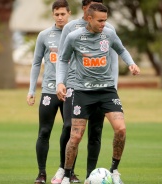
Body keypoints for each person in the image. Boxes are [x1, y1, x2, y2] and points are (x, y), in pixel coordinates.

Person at [56, 3, 140, 184]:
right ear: (89, 18)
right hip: (82, 92)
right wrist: (60, 83)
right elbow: (63, 60)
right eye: (100, 21)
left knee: (121, 129)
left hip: (107, 90)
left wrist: (131, 63)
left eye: (105, 20)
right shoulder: (74, 37)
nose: (104, 24)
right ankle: (67, 174)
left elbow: (121, 49)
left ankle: (114, 171)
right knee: (76, 136)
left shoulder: (109, 33)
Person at [51, 0, 119, 183]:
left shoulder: (107, 28)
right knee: (70, 129)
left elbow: (113, 59)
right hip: (75, 86)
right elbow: (63, 59)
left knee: (96, 131)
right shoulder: (71, 29)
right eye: (92, 7)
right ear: (85, 9)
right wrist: (61, 82)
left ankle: (91, 175)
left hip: (101, 88)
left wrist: (113, 86)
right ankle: (64, 170)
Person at [26, 1, 73, 183]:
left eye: (63, 14)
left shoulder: (76, 34)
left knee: (70, 129)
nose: (60, 17)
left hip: (71, 90)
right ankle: (41, 173)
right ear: (53, 15)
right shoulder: (44, 36)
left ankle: (67, 171)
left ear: (69, 13)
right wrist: (32, 90)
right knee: (44, 131)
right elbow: (36, 63)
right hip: (49, 91)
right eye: (57, 14)